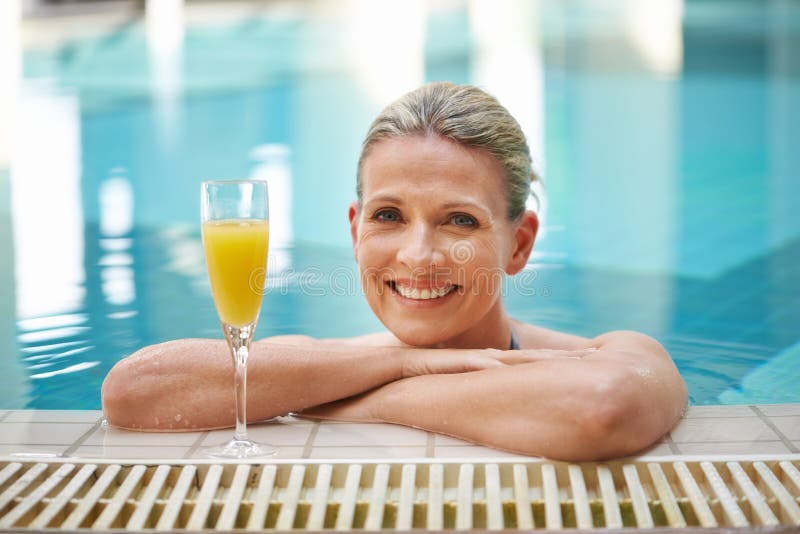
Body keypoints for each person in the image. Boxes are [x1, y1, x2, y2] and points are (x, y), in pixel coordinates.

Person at [101, 82, 687, 461]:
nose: (416, 255)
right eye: (388, 215)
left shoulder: (603, 354)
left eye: (459, 221)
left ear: (519, 243)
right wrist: (401, 361)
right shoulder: (339, 361)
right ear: (355, 231)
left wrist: (366, 399)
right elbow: (133, 392)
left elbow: (600, 409)